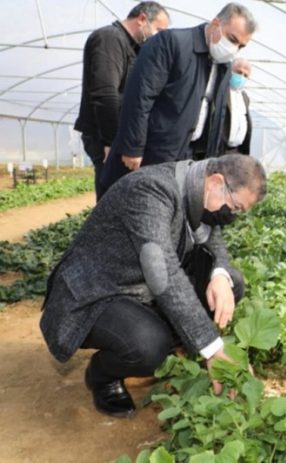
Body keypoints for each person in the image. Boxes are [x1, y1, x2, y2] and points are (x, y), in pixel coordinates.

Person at [40, 154, 267, 418]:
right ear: (216, 182)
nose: (233, 216)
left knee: (230, 283)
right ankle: (101, 375)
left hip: (140, 287)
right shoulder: (150, 190)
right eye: (236, 207)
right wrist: (213, 347)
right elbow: (163, 271)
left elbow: (213, 238)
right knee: (149, 346)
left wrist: (219, 276)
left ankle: (181, 339)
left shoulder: (196, 186)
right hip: (98, 292)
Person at [100, 3, 257, 194]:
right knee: (130, 202)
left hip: (184, 159)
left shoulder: (223, 66)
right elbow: (140, 96)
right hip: (151, 153)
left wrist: (211, 164)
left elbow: (217, 116)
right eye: (232, 39)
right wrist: (132, 146)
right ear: (216, 24)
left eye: (241, 46)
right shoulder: (171, 43)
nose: (233, 49)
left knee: (163, 212)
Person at [74, 2, 170, 200]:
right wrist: (111, 141)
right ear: (142, 19)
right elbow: (105, 94)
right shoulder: (109, 38)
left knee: (122, 194)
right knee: (111, 195)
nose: (159, 37)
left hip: (118, 135)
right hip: (105, 135)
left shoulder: (132, 47)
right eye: (159, 30)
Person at [223, 57, 253, 155]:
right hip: (220, 149)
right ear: (231, 71)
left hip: (237, 151)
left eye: (245, 75)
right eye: (239, 72)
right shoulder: (221, 91)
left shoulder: (245, 97)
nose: (242, 77)